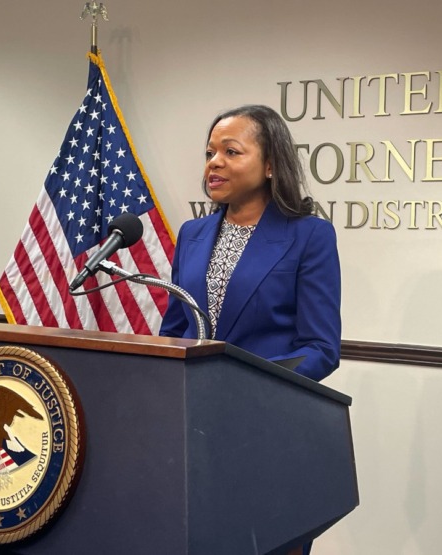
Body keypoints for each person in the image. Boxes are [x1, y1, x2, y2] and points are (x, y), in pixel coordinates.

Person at [159, 105, 341, 555]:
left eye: (230, 151)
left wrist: (243, 389)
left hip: (267, 437)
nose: (214, 162)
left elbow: (321, 347)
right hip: (193, 439)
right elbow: (174, 330)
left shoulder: (309, 236)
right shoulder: (192, 233)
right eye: (209, 152)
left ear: (270, 164)